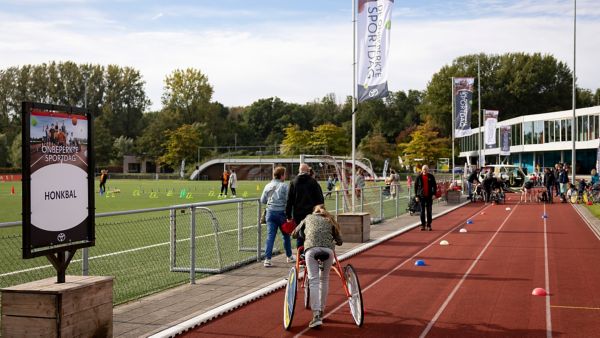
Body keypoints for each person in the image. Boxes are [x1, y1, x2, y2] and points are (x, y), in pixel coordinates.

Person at [291, 204, 343, 329]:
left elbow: (294, 233)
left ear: (314, 211)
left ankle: (316, 315)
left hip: (311, 249)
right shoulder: (330, 220)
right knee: (324, 279)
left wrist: (303, 235)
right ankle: (321, 311)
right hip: (328, 251)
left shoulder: (308, 218)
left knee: (313, 280)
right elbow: (340, 241)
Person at [260, 166, 294, 267]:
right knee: (286, 235)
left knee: (270, 236)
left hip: (270, 213)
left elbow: (263, 200)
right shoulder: (284, 186)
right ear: (282, 175)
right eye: (284, 174)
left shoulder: (268, 185)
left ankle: (267, 259)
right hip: (281, 213)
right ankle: (289, 256)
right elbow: (289, 200)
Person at [286, 163, 325, 248]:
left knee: (300, 235)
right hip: (311, 213)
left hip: (298, 213)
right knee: (311, 234)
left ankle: (300, 257)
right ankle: (310, 255)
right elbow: (320, 199)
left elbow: (289, 200)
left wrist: (288, 216)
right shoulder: (313, 182)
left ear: (299, 171)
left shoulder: (293, 182)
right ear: (308, 171)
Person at [414, 165, 437, 231]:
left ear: (428, 170)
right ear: (422, 170)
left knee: (429, 211)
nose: (425, 170)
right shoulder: (418, 177)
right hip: (421, 197)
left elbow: (434, 186)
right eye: (424, 169)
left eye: (426, 169)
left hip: (429, 196)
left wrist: (434, 194)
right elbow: (415, 187)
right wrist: (416, 196)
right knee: (422, 211)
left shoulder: (431, 176)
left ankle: (429, 225)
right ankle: (423, 225)